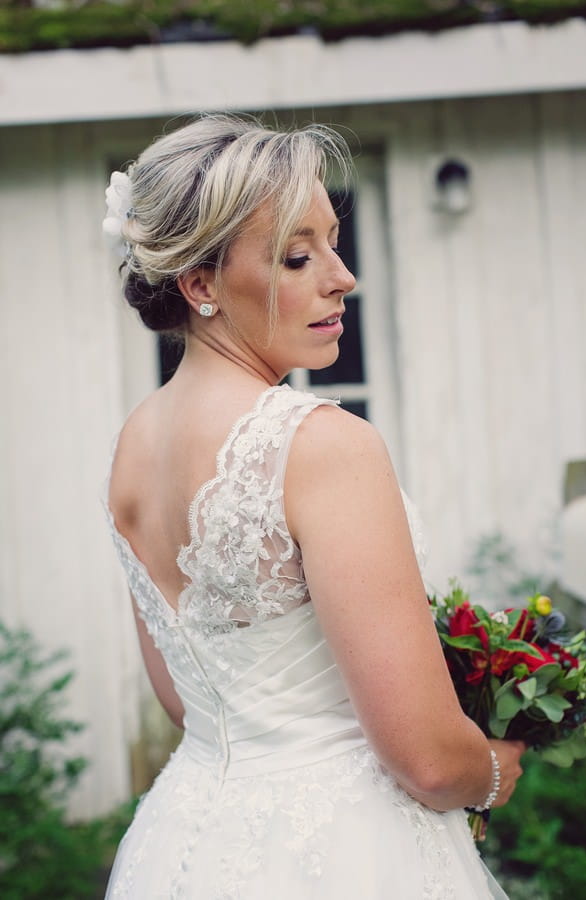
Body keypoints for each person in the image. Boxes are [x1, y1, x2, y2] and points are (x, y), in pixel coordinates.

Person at [102, 114, 525, 899]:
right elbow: (428, 761)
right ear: (199, 285)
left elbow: (183, 698)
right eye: (299, 256)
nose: (343, 276)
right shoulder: (323, 445)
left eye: (334, 240)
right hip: (344, 856)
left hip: (178, 850)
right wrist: (497, 770)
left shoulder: (132, 447)